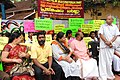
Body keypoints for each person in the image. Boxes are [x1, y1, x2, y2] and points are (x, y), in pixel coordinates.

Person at [98, 15, 120, 80]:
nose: (107, 20)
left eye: (109, 19)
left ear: (112, 20)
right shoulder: (102, 26)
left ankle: (109, 75)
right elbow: (101, 34)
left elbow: (116, 36)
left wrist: (110, 42)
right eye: (107, 19)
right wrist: (106, 42)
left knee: (109, 62)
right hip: (103, 47)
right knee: (102, 62)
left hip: (110, 46)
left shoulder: (115, 27)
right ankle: (103, 76)